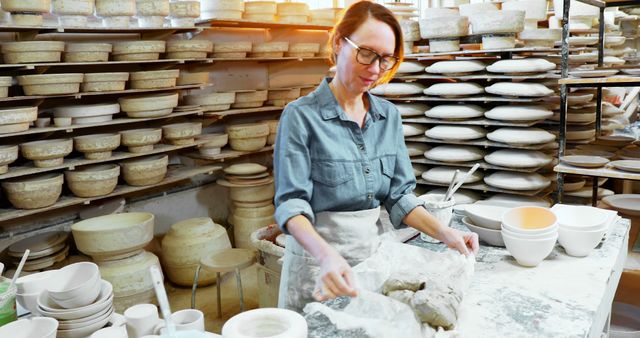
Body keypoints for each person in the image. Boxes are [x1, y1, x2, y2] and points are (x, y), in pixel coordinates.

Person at [273, 1, 479, 313]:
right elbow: (291, 206)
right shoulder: (301, 117)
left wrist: (446, 233)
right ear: (340, 43)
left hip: (370, 261)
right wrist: (326, 255)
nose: (374, 69)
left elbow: (398, 197)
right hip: (317, 266)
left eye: (385, 60)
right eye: (366, 53)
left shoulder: (388, 117)